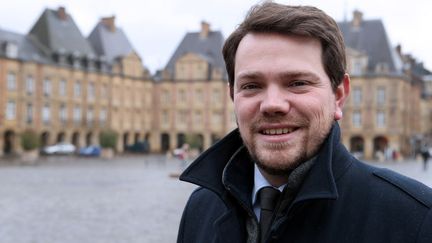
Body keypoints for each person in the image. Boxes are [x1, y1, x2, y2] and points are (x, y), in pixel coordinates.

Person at [177, 2, 432, 243]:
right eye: (252, 86)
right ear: (233, 96)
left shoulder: (415, 219)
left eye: (298, 83)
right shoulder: (201, 209)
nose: (272, 104)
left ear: (339, 95)